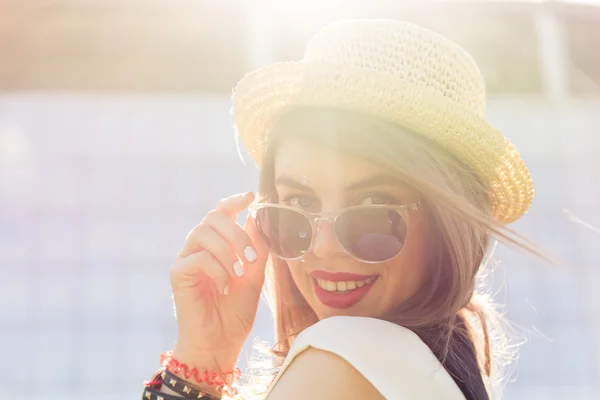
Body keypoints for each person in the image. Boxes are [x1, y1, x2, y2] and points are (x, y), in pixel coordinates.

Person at [142, 19, 536, 400]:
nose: (325, 246)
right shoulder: (437, 369)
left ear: (447, 222)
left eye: (373, 206)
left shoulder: (337, 361)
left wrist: (198, 365)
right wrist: (206, 357)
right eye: (298, 203)